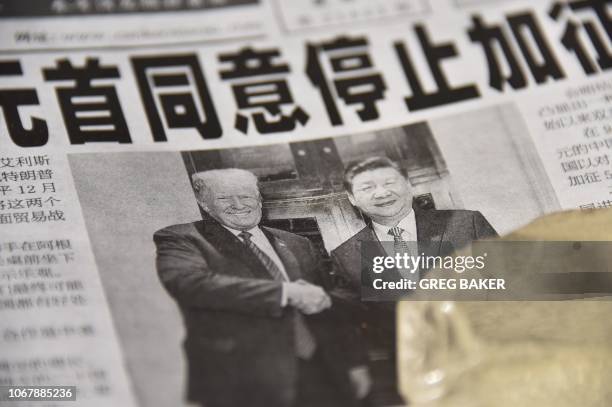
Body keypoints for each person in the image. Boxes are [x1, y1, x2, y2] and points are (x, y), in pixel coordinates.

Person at [154, 168, 370, 407]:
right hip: (247, 381)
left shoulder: (297, 242)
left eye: (246, 196)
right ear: (205, 204)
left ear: (259, 199)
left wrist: (354, 362)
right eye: (224, 198)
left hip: (322, 370)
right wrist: (284, 293)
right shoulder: (183, 237)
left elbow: (331, 304)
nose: (238, 204)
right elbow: (189, 284)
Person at [330, 156, 498, 401]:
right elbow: (353, 323)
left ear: (408, 184)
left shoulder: (466, 223)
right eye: (367, 188)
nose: (382, 193)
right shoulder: (346, 255)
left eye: (389, 182)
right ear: (352, 199)